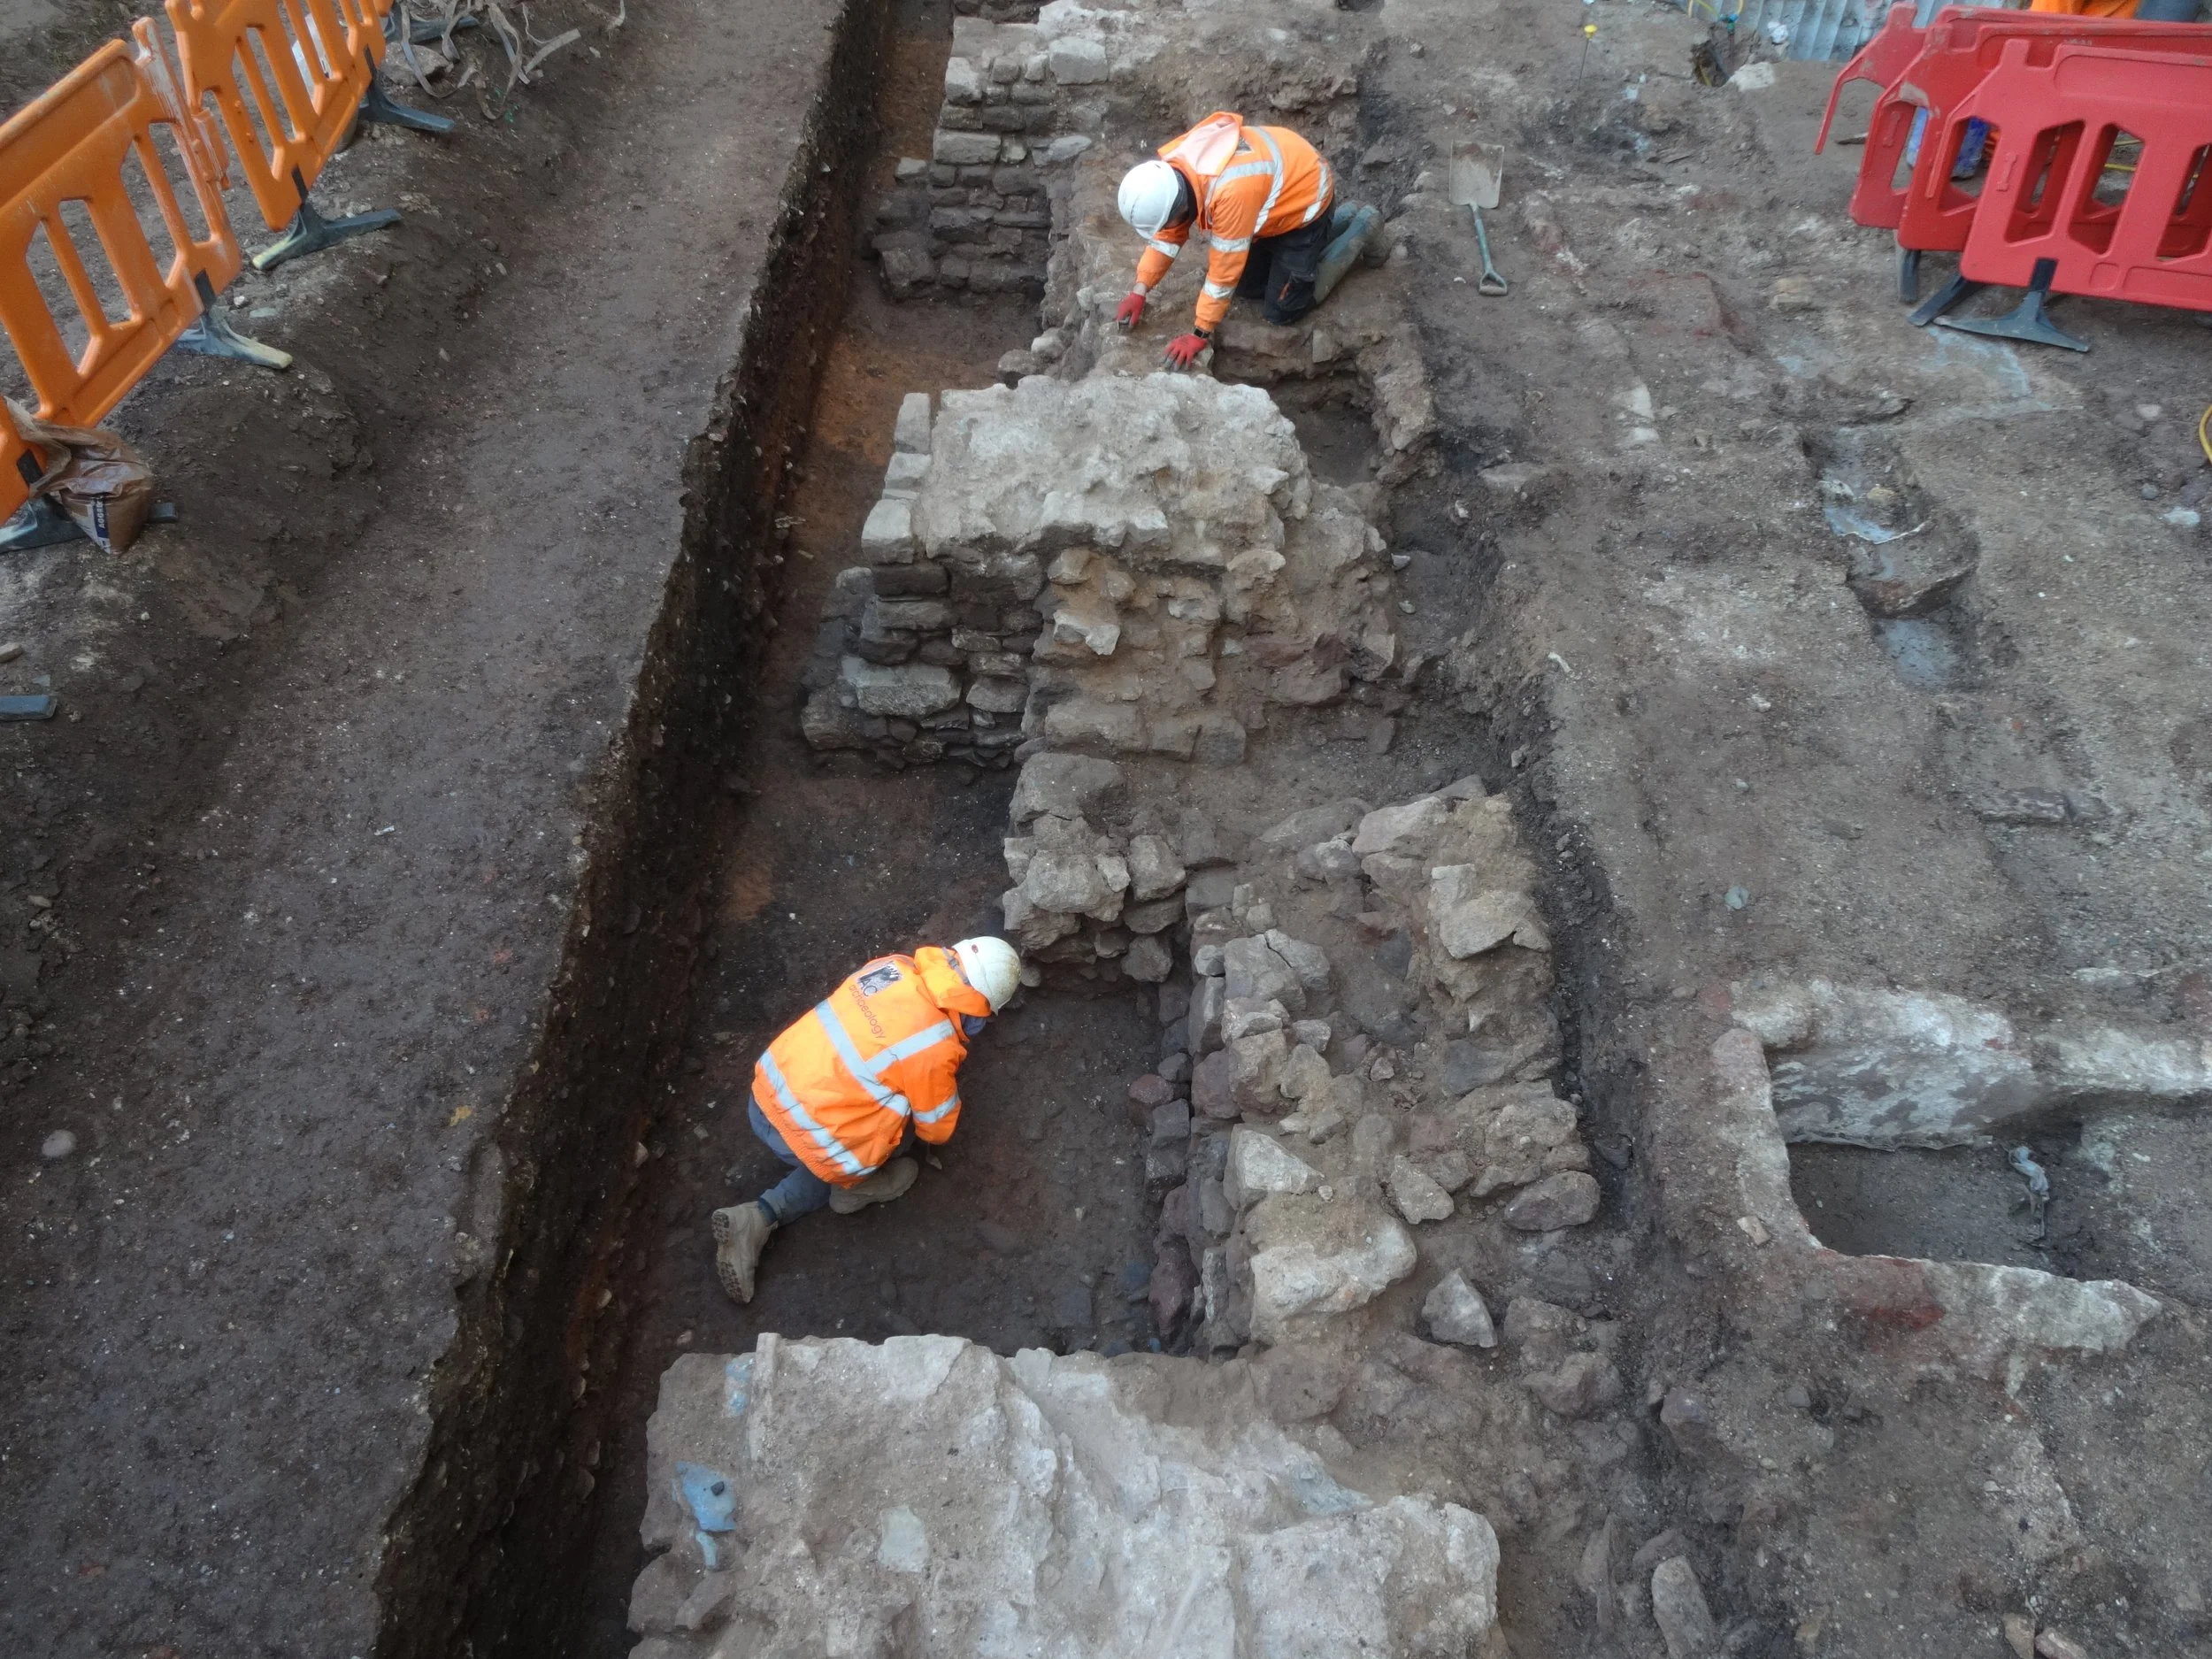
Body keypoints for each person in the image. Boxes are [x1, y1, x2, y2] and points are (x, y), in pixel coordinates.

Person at [710, 936, 1022, 1303]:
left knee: (873, 1090)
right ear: (978, 1004)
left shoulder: (893, 966)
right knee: (904, 1135)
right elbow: (937, 1129)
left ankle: (756, 1218)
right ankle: (856, 1186)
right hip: (803, 1136)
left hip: (766, 1091)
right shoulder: (936, 1045)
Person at [1113, 111, 1381, 368]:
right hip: (1274, 193)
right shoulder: (1173, 174)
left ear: (1178, 207)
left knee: (1283, 309)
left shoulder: (1230, 193)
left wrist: (1199, 333)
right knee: (1247, 287)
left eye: (1164, 222)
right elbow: (1168, 235)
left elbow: (1223, 272)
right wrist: (1140, 289)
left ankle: (1363, 224)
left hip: (1305, 201)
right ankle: (1342, 218)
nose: (1164, 229)